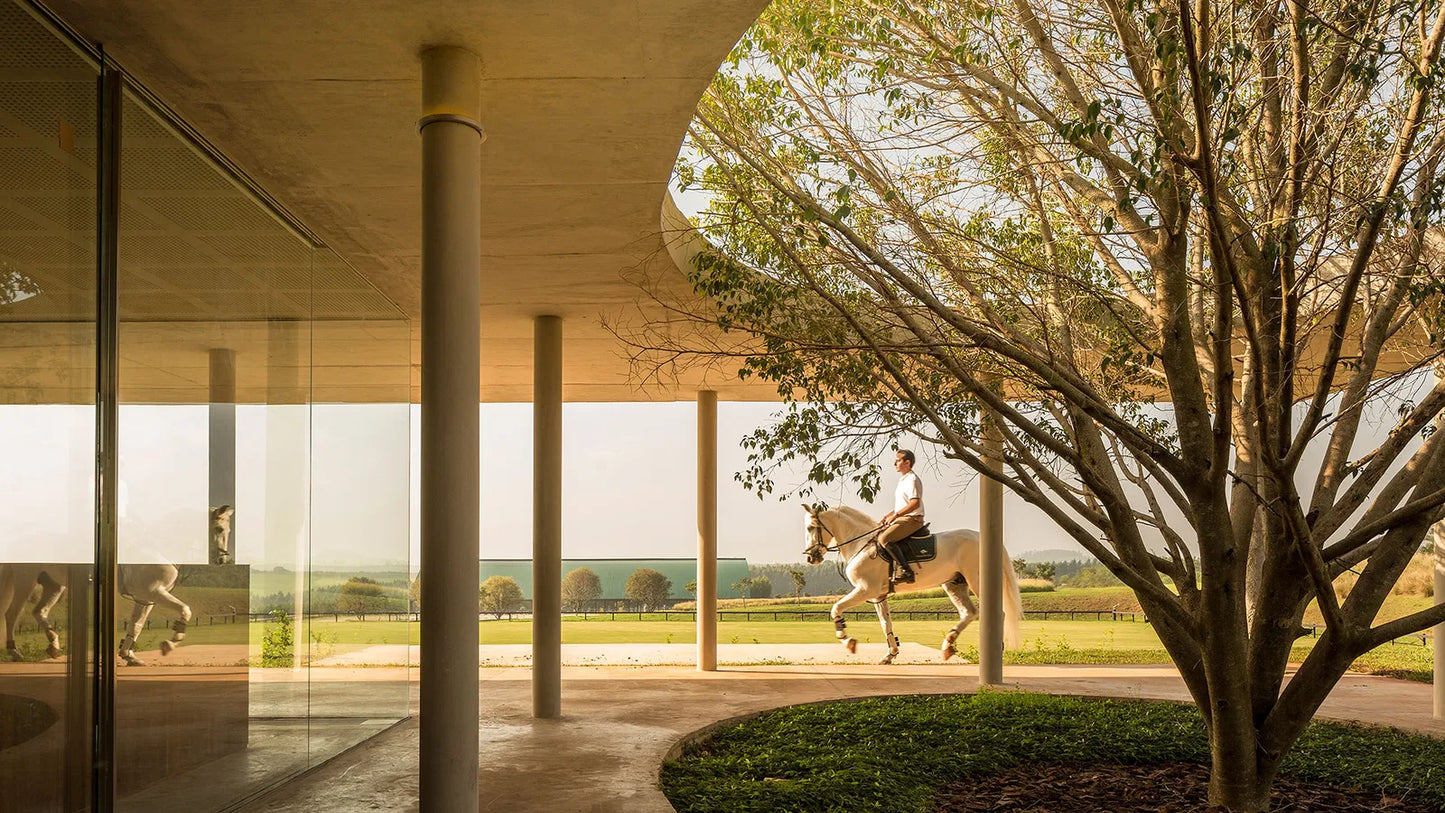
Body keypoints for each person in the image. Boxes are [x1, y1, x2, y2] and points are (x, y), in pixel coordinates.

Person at [878, 449, 925, 584]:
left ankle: (907, 571)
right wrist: (889, 515)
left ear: (907, 462)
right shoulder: (903, 480)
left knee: (885, 538)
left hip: (913, 519)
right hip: (903, 518)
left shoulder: (912, 479)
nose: (895, 463)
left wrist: (896, 515)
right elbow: (902, 505)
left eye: (898, 460)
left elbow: (915, 503)